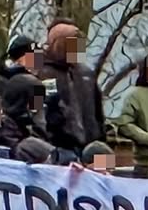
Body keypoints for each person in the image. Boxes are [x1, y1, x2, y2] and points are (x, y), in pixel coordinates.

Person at [38, 19, 105, 156]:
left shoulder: (86, 74)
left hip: (91, 150)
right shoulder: (42, 73)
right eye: (73, 45)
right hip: (59, 150)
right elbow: (38, 115)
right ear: (60, 45)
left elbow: (98, 114)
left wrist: (103, 142)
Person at [0, 35, 47, 150]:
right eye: (35, 56)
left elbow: (40, 122)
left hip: (36, 146)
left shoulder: (37, 84)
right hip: (9, 149)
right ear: (20, 59)